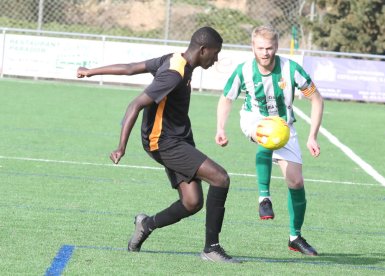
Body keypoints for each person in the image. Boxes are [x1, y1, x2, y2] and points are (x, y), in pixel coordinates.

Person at [77, 26, 240, 263]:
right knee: (220, 178)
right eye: (215, 54)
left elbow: (131, 68)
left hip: (178, 138)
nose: (215, 59)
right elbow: (135, 105)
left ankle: (146, 224)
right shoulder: (174, 73)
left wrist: (91, 71)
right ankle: (212, 248)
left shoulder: (175, 59)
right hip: (164, 142)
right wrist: (121, 146)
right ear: (203, 50)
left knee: (192, 202)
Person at [215, 25, 324, 256]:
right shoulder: (244, 70)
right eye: (260, 48)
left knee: (296, 182)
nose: (265, 53)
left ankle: (295, 237)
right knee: (267, 133)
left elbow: (316, 99)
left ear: (277, 47)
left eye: (270, 48)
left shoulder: (291, 69)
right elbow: (226, 98)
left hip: (285, 127)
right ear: (252, 47)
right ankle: (264, 197)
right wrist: (220, 128)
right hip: (253, 120)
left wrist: (312, 135)